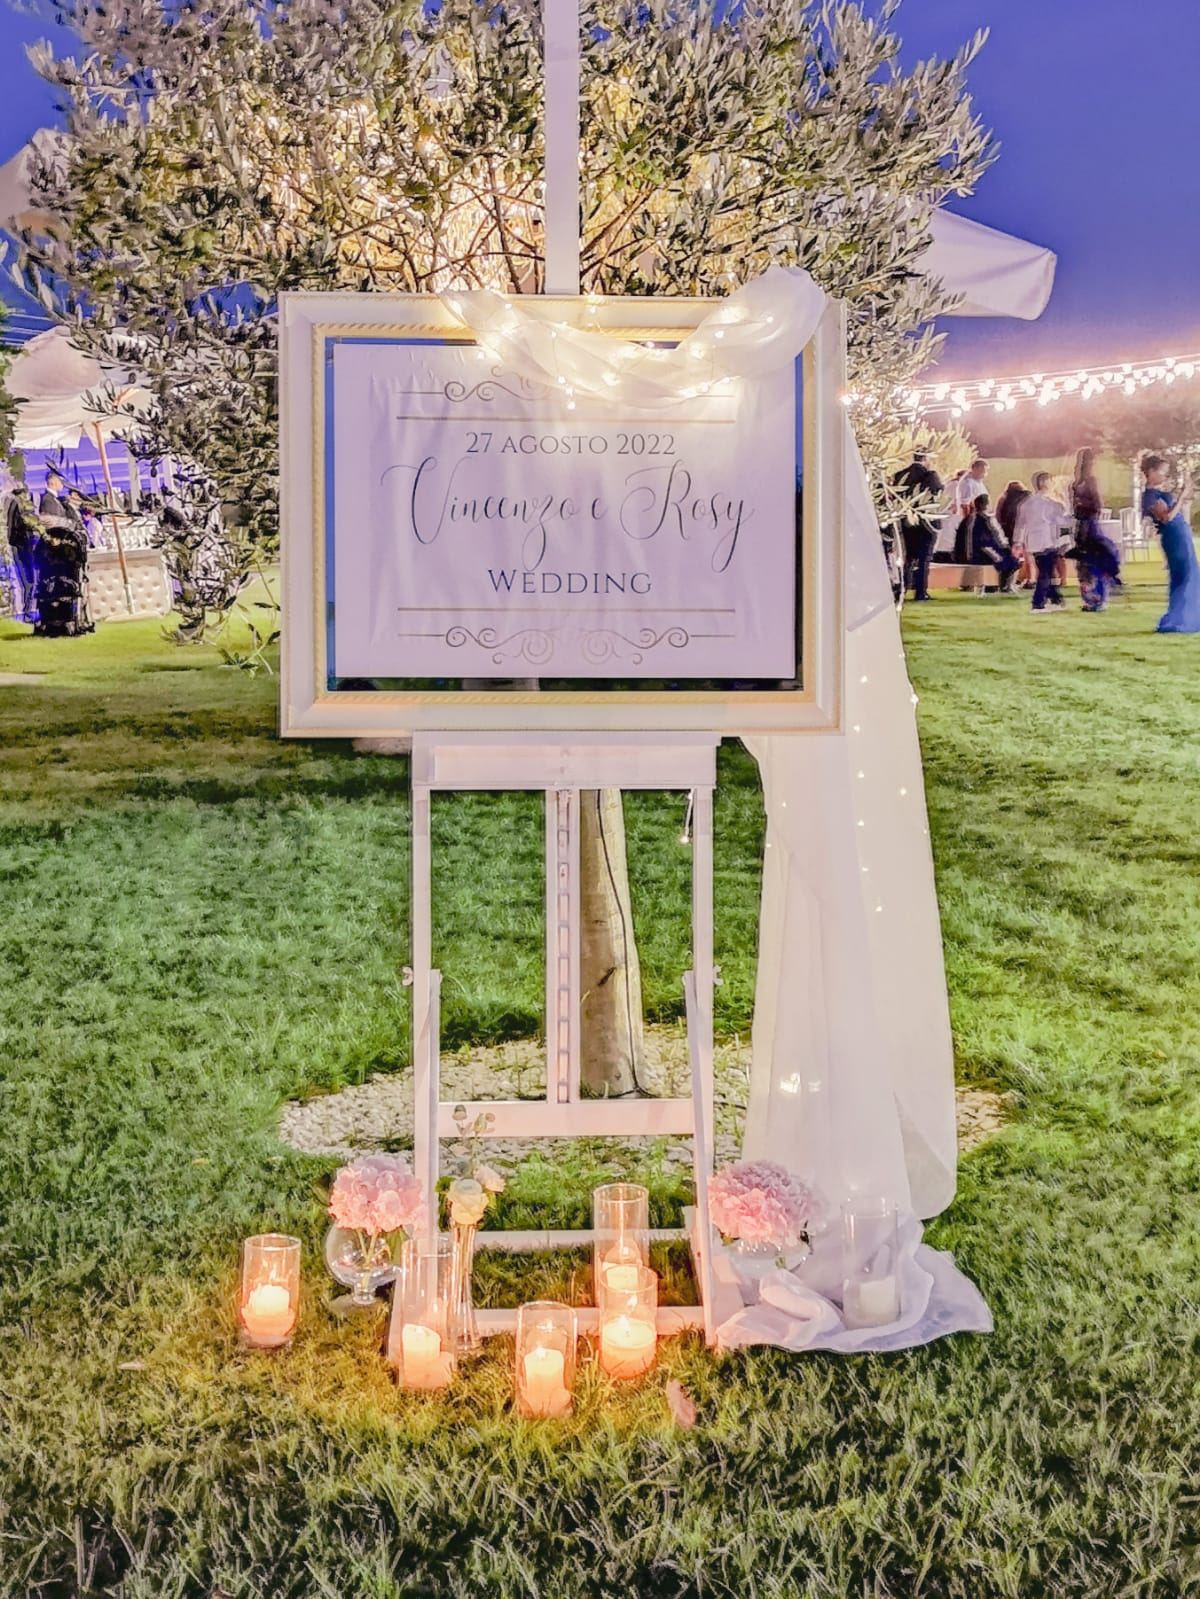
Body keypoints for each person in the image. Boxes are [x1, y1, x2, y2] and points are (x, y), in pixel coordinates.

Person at [1141, 454, 1200, 634]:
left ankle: (1189, 616)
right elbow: (1167, 518)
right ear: (1151, 472)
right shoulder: (1150, 496)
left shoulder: (1159, 492)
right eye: (1162, 471)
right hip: (1174, 537)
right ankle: (1178, 619)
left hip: (1181, 535)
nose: (1164, 475)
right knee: (1183, 575)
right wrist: (1182, 496)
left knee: (1190, 574)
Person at [34, 469, 93, 636]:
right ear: (53, 482)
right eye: (60, 481)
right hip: (57, 554)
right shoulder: (48, 500)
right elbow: (53, 526)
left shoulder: (56, 500)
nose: (62, 485)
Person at [1069, 447, 1120, 612]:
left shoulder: (1075, 484)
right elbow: (1098, 504)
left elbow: (1074, 506)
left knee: (1084, 562)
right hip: (1090, 525)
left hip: (1081, 526)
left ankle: (1090, 599)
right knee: (1097, 561)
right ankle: (1098, 599)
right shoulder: (1090, 481)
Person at [892, 448, 944, 602]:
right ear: (926, 459)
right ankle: (921, 591)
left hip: (907, 522)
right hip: (925, 522)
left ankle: (902, 589)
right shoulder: (930, 475)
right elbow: (937, 493)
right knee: (924, 558)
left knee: (908, 557)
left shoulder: (900, 475)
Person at [1015, 471, 1069, 612]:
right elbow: (1062, 519)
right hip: (1048, 540)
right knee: (1045, 572)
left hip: (1034, 542)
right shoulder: (1050, 503)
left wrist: (1018, 542)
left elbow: (1020, 525)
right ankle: (1038, 603)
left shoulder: (1026, 503)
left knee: (1047, 570)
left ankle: (1056, 599)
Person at [956, 493, 1020, 591]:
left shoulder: (967, 520)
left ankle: (995, 585)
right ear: (987, 505)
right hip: (982, 552)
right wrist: (1007, 548)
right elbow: (998, 538)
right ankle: (1004, 585)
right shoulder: (987, 519)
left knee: (1003, 558)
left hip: (968, 554)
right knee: (1012, 561)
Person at [5, 479, 42, 622]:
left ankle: (30, 610)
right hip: (23, 547)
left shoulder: (18, 504)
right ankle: (28, 611)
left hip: (25, 546)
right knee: (29, 581)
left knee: (31, 580)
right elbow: (12, 526)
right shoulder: (17, 504)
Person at [996, 478, 1033, 587]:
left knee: (1013, 555)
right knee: (1028, 555)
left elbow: (998, 515)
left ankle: (1011, 579)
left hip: (1008, 530)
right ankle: (1029, 579)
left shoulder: (1003, 499)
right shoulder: (1028, 498)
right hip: (1026, 529)